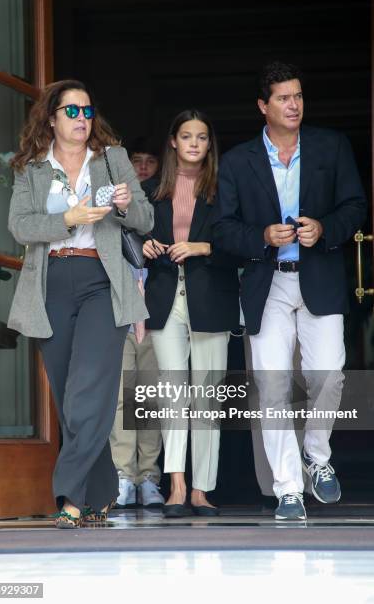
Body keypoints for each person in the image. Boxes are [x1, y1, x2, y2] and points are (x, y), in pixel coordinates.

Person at [212, 61, 366, 520]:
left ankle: (316, 458)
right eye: (283, 98)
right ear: (263, 106)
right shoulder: (239, 161)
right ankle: (288, 489)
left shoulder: (331, 146)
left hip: (319, 274)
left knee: (329, 375)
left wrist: (325, 228)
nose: (293, 104)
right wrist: (261, 236)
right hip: (267, 282)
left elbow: (356, 205)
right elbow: (222, 229)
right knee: (273, 383)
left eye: (297, 96)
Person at [7, 79, 153, 528]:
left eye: (87, 112)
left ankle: (70, 496)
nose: (81, 120)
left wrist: (127, 204)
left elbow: (145, 219)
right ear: (51, 117)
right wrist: (67, 219)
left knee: (89, 388)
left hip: (101, 281)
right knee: (70, 398)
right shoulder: (32, 168)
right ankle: (103, 491)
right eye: (71, 112)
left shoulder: (112, 160)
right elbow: (19, 227)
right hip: (50, 283)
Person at [143, 110, 241, 518]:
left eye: (202, 137)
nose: (195, 144)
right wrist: (145, 246)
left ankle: (202, 488)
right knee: (172, 396)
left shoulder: (224, 188)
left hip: (211, 294)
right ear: (173, 142)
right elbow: (130, 236)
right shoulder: (150, 189)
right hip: (166, 295)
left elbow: (241, 241)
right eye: (187, 136)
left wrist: (204, 248)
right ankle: (176, 485)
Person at [109, 137, 164, 508]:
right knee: (120, 399)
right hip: (118, 310)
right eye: (136, 161)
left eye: (149, 161)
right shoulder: (111, 199)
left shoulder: (162, 203)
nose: (142, 168)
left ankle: (149, 477)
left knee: (150, 399)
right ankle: (122, 476)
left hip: (156, 314)